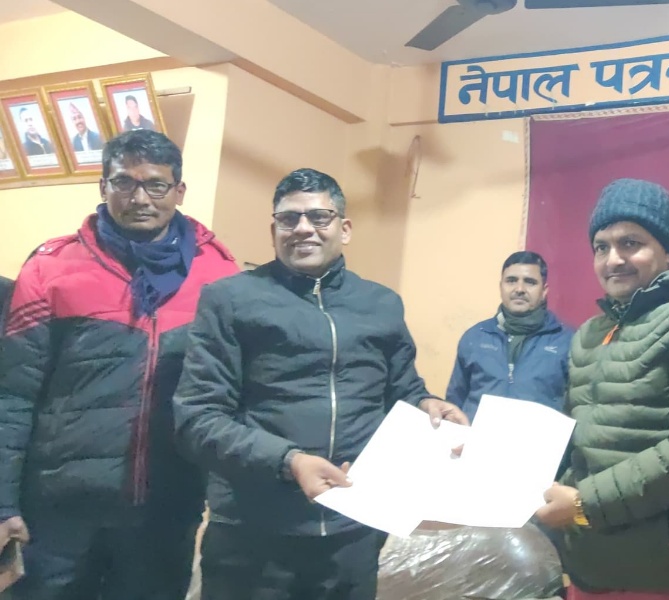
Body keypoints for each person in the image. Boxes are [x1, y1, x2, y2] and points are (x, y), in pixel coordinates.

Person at [173, 167, 468, 600]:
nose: (303, 228)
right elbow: (197, 418)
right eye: (289, 218)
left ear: (344, 229)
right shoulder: (230, 300)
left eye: (319, 217)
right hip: (253, 535)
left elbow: (402, 390)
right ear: (273, 230)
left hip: (353, 533)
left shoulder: (381, 304)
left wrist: (429, 405)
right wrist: (289, 461)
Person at [0, 129, 239, 600]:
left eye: (155, 184)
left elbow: (231, 396)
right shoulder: (51, 267)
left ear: (179, 191)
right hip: (58, 509)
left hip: (166, 506)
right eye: (124, 182)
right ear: (103, 186)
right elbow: (13, 394)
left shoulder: (219, 274)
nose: (139, 198)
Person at [534, 178, 669, 600]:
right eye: (601, 247)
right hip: (589, 566)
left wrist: (583, 504)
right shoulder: (591, 334)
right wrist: (486, 455)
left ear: (667, 251)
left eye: (630, 243)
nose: (613, 259)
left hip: (666, 573)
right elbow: (578, 444)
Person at [446, 250, 574, 422]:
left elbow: (577, 408)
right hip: (478, 439)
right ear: (501, 287)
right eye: (511, 281)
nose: (519, 289)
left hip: (537, 439)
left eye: (530, 282)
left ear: (544, 291)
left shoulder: (567, 341)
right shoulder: (475, 337)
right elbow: (455, 403)